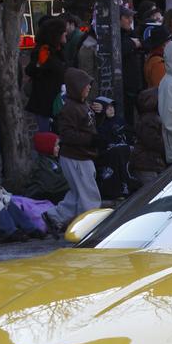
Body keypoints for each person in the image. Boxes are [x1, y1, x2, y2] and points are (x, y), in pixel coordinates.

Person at [43, 68, 101, 233]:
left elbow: (87, 126)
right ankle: (87, 228)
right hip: (77, 157)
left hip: (81, 155)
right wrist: (91, 139)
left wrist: (100, 115)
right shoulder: (70, 108)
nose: (89, 88)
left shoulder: (82, 105)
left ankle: (54, 216)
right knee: (88, 195)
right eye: (85, 85)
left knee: (77, 194)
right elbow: (67, 134)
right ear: (76, 87)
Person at [24, 16, 68, 133]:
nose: (66, 33)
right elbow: (30, 70)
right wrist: (39, 64)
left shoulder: (59, 50)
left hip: (58, 100)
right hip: (45, 103)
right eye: (63, 31)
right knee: (47, 136)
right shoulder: (43, 51)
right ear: (56, 34)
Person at [131, 87, 166, 184]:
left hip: (149, 162)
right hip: (147, 163)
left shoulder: (148, 118)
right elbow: (153, 142)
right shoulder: (150, 119)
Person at [25, 132, 69, 203]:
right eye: (55, 145)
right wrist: (70, 183)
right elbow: (52, 185)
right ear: (47, 147)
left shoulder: (51, 160)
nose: (58, 147)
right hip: (41, 197)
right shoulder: (43, 163)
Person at [120, 7, 143, 125]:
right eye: (127, 17)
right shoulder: (117, 34)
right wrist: (132, 43)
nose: (130, 20)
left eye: (131, 18)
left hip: (135, 84)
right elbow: (120, 49)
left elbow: (142, 44)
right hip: (124, 86)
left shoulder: (131, 32)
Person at [143, 24, 170, 89]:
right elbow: (162, 88)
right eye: (169, 41)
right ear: (164, 44)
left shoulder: (159, 57)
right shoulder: (158, 63)